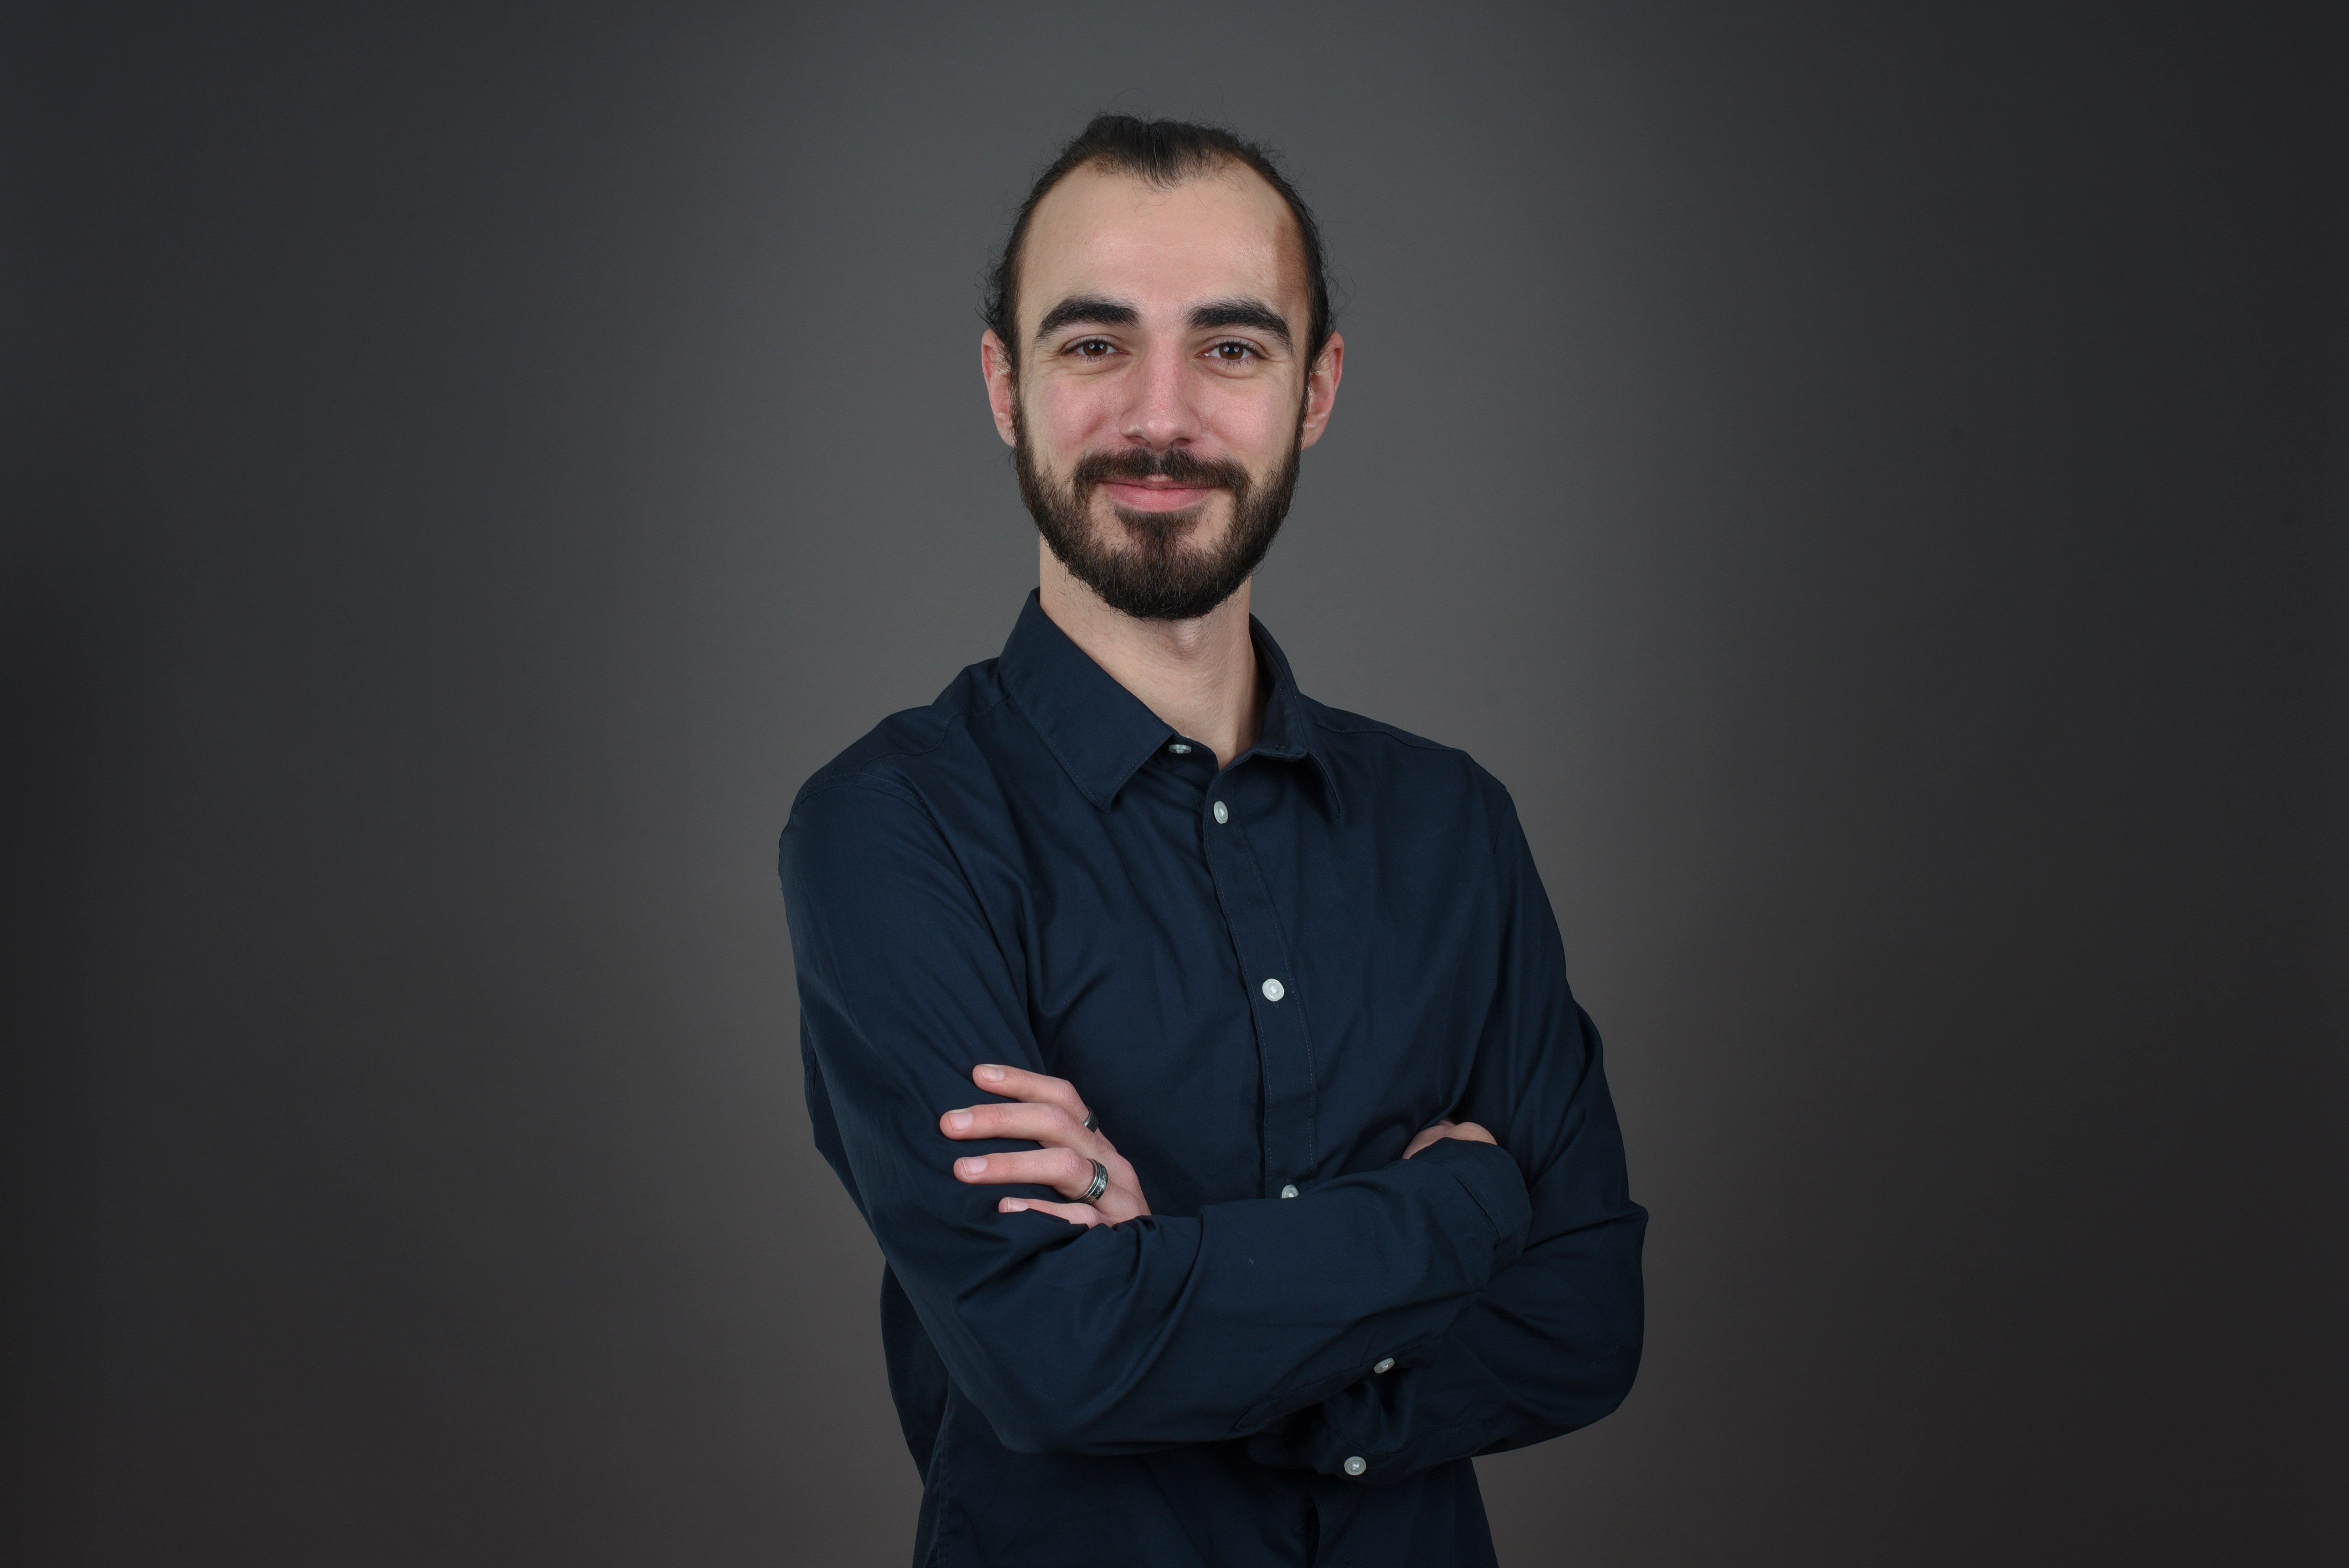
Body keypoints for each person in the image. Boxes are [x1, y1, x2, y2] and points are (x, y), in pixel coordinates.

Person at [779, 114, 1645, 1568]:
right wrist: (1465, 1202)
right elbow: (1051, 1357)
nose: (1159, 415)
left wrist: (1165, 1299)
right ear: (1005, 386)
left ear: (1316, 390)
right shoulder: (888, 828)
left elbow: (1582, 1321)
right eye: (1094, 344)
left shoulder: (1452, 825)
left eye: (1231, 347)